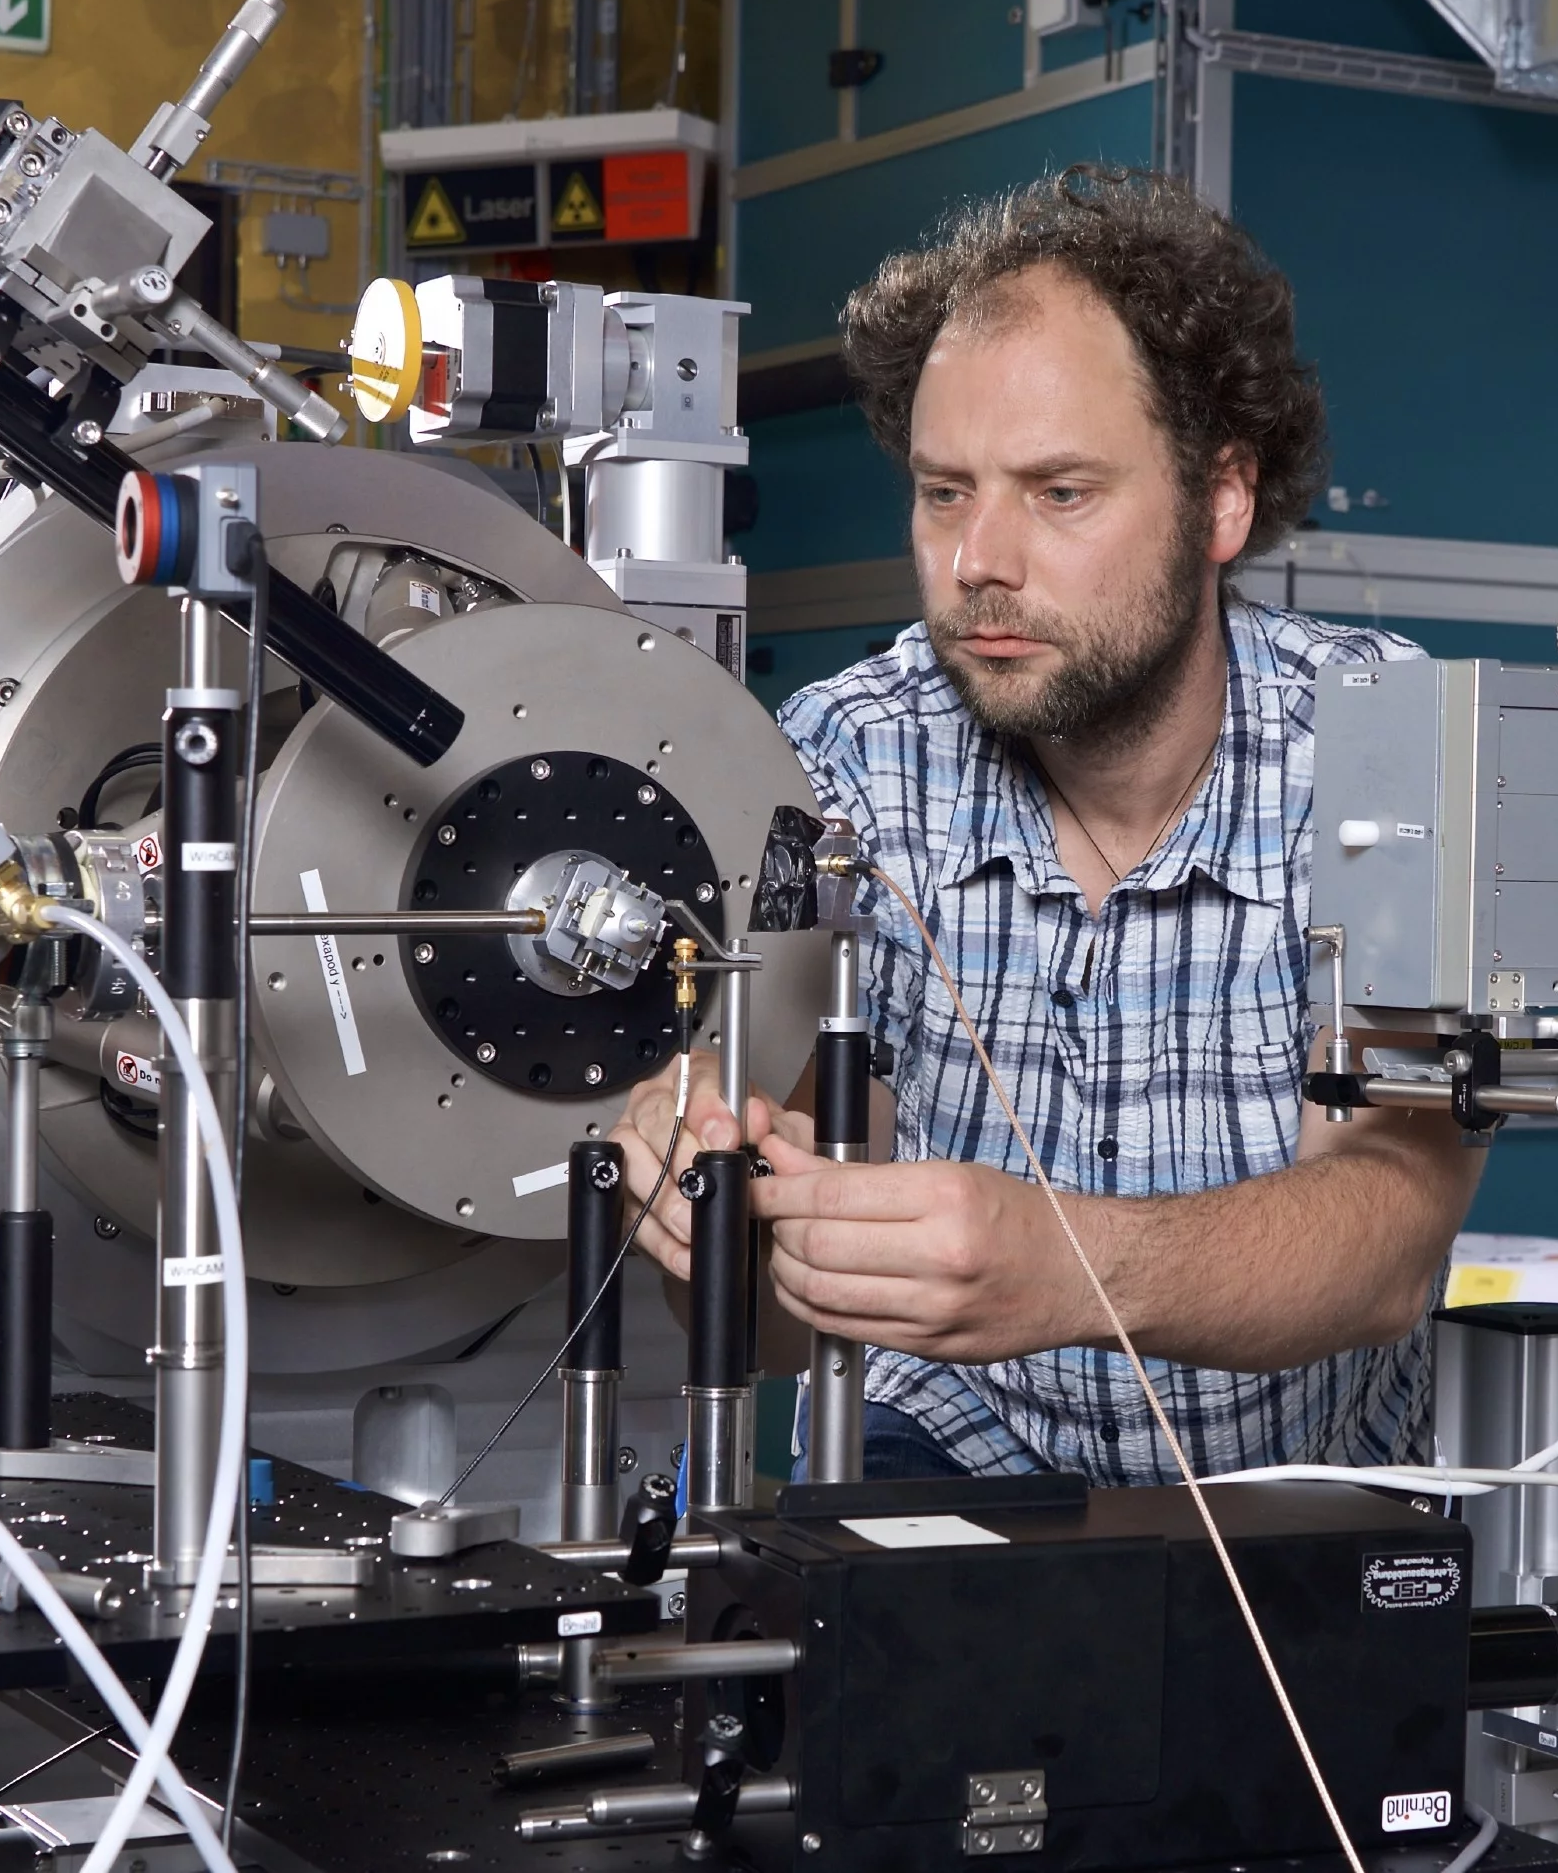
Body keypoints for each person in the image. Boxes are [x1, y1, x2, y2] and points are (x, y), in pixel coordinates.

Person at [611, 164, 1482, 1483]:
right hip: (951, 1449)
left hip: (1306, 1501)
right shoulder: (851, 757)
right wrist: (717, 1205)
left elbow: (1385, 1235)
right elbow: (772, 1326)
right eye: (945, 491)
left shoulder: (1389, 749)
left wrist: (1067, 1264)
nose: (979, 562)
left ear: (1222, 499)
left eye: (1060, 493)